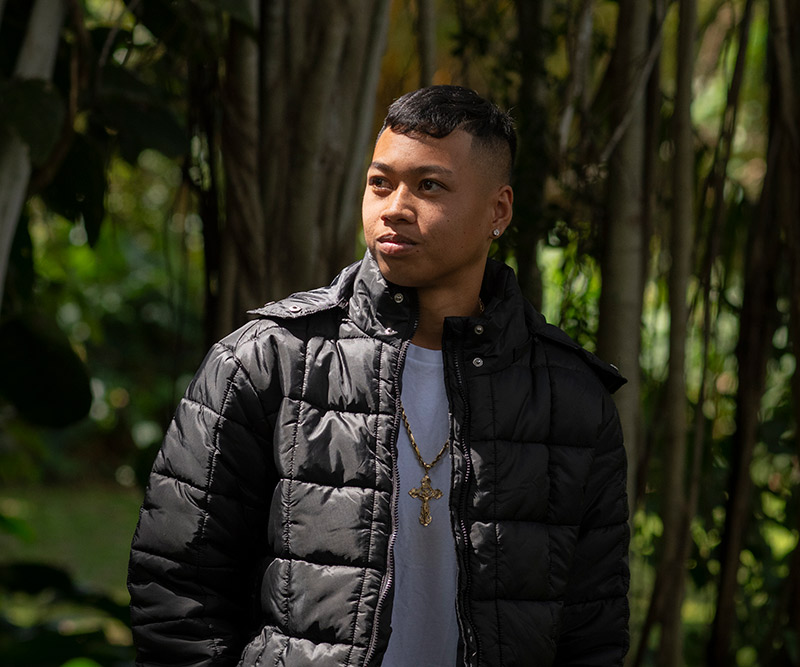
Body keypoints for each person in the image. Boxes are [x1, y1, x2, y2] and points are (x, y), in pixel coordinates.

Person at [128, 85, 630, 667]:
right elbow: (176, 586)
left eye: (429, 186)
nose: (394, 207)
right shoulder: (271, 361)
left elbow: (592, 628)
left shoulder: (570, 398)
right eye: (380, 183)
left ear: (499, 210)